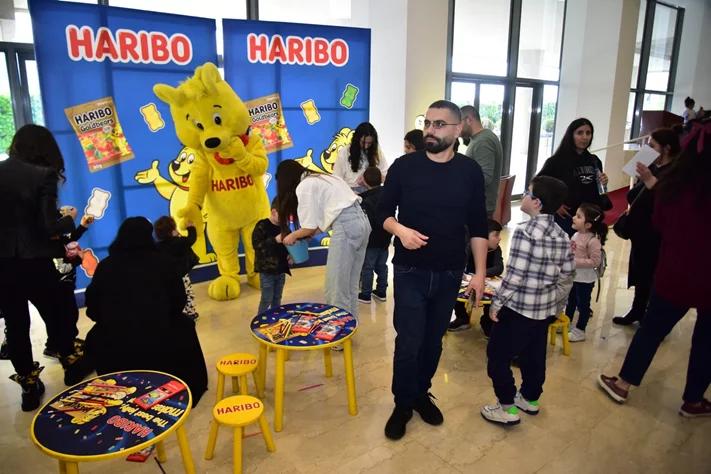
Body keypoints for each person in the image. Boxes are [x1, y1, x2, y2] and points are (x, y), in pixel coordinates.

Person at [378, 100, 489, 440]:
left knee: (432, 342)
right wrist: (400, 230)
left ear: (458, 129)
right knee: (408, 342)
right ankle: (402, 404)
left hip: (450, 271)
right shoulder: (404, 167)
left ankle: (420, 393)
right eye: (427, 123)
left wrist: (480, 273)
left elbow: (478, 225)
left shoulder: (469, 172)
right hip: (410, 270)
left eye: (439, 124)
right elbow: (381, 212)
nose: (430, 130)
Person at [598, 121, 711, 417]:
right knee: (707, 340)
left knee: (652, 329)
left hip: (678, 269)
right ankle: (694, 400)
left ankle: (623, 383)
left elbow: (660, 223)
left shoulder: (678, 185)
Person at [0, 124, 92, 411]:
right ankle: (71, 367)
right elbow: (48, 226)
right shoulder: (43, 174)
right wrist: (69, 218)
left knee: (16, 326)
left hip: (3, 265)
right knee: (57, 316)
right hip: (35, 261)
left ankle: (29, 388)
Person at [84, 217, 208, 407]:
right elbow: (178, 302)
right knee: (185, 326)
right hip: (160, 336)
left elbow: (92, 308)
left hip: (117, 341)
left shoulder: (106, 266)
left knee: (97, 335)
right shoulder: (164, 262)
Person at [481, 176, 574, 425]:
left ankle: (507, 407)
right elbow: (567, 275)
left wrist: (497, 303)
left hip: (518, 310)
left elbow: (514, 276)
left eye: (526, 192)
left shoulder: (525, 232)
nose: (523, 196)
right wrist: (556, 304)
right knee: (534, 357)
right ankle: (530, 399)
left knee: (497, 356)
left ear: (536, 202)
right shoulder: (562, 234)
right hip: (544, 312)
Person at [276, 160, 371, 329]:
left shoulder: (305, 185)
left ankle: (338, 333)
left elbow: (309, 227)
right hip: (362, 223)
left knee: (335, 288)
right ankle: (350, 330)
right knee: (349, 286)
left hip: (347, 227)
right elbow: (321, 224)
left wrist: (292, 236)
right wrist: (307, 234)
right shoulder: (325, 178)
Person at [613, 128, 680, 326]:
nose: (648, 150)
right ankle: (638, 310)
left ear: (666, 148)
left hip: (655, 234)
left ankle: (651, 317)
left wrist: (650, 181)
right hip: (641, 233)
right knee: (641, 273)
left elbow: (668, 201)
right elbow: (635, 195)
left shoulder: (674, 172)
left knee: (651, 275)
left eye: (652, 146)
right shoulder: (656, 169)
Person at [537, 118, 610, 236]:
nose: (585, 137)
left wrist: (603, 182)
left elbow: (596, 189)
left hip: (590, 219)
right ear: (571, 135)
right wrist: (555, 205)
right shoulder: (556, 161)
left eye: (588, 133)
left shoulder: (594, 160)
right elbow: (537, 184)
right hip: (567, 218)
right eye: (580, 133)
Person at [43, 207, 95, 359]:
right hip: (57, 290)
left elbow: (72, 237)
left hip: (66, 287)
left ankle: (69, 340)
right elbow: (62, 268)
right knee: (60, 318)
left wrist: (83, 225)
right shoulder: (49, 247)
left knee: (70, 315)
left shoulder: (59, 240)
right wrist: (79, 259)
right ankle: (53, 346)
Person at [448, 218, 504, 336]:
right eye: (496, 235)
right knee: (454, 290)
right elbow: (461, 262)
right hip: (469, 281)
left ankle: (487, 323)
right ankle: (462, 317)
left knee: (493, 299)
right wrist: (462, 273)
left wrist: (482, 273)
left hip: (489, 282)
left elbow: (499, 268)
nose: (499, 239)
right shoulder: (470, 247)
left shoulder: (496, 250)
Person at [565, 204, 607, 343]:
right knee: (571, 300)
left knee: (583, 305)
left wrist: (574, 261)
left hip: (585, 279)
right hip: (574, 276)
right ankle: (567, 322)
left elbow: (595, 261)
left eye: (578, 216)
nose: (573, 218)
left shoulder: (593, 240)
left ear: (588, 225)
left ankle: (580, 330)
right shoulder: (576, 235)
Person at [154, 216, 200, 321]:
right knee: (188, 294)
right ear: (173, 231)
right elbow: (191, 239)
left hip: (166, 276)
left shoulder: (158, 246)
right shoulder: (180, 242)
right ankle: (191, 313)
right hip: (181, 275)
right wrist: (191, 228)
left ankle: (171, 313)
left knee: (169, 294)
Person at [461, 106, 504, 217]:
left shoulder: (483, 141)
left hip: (480, 205)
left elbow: (485, 177)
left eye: (459, 122)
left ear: (469, 120)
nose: (458, 127)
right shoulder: (478, 138)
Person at [252, 197, 292, 314]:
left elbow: (290, 244)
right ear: (274, 212)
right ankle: (261, 321)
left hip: (281, 270)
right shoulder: (261, 225)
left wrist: (291, 255)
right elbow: (257, 245)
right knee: (266, 299)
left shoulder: (284, 228)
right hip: (267, 271)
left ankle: (276, 318)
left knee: (277, 297)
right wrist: (275, 240)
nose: (286, 219)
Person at [358, 167, 391, 304]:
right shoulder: (388, 194)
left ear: (365, 181)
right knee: (382, 266)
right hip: (386, 237)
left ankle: (366, 294)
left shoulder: (364, 200)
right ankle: (381, 291)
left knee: (368, 267)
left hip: (371, 239)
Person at [332, 122, 388, 193]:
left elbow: (385, 175)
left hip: (371, 191)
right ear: (357, 139)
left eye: (369, 143)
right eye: (363, 142)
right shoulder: (344, 152)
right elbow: (336, 179)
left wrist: (370, 179)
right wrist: (348, 193)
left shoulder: (376, 153)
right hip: (350, 191)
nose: (366, 146)